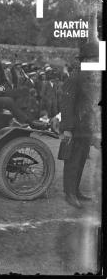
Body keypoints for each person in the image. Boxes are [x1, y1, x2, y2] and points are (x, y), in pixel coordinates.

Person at [60, 41, 101, 209]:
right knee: (72, 161)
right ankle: (69, 194)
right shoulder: (75, 77)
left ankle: (76, 191)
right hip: (75, 127)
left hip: (86, 128)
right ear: (87, 59)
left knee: (82, 159)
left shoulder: (91, 77)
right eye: (95, 59)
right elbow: (66, 105)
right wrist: (67, 129)